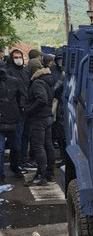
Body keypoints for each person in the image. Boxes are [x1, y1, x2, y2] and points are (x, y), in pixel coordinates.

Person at [24, 58, 55, 186]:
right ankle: (50, 173)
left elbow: (41, 99)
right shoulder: (48, 81)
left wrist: (29, 110)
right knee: (48, 145)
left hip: (39, 118)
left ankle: (41, 175)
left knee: (38, 146)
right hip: (48, 116)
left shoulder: (37, 83)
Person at [0, 62, 24, 181]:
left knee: (13, 147)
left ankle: (7, 171)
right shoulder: (15, 81)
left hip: (13, 118)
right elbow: (21, 98)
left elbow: (20, 98)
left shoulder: (14, 82)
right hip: (13, 118)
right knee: (13, 147)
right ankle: (9, 170)